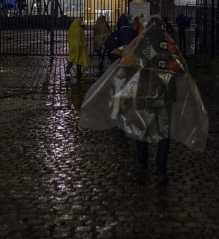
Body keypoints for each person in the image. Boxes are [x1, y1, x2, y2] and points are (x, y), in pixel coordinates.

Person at [80, 15, 209, 185]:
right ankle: (160, 169)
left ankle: (142, 160)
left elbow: (132, 63)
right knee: (163, 131)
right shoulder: (167, 46)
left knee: (142, 127)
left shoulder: (143, 45)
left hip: (144, 95)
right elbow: (179, 67)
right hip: (163, 95)